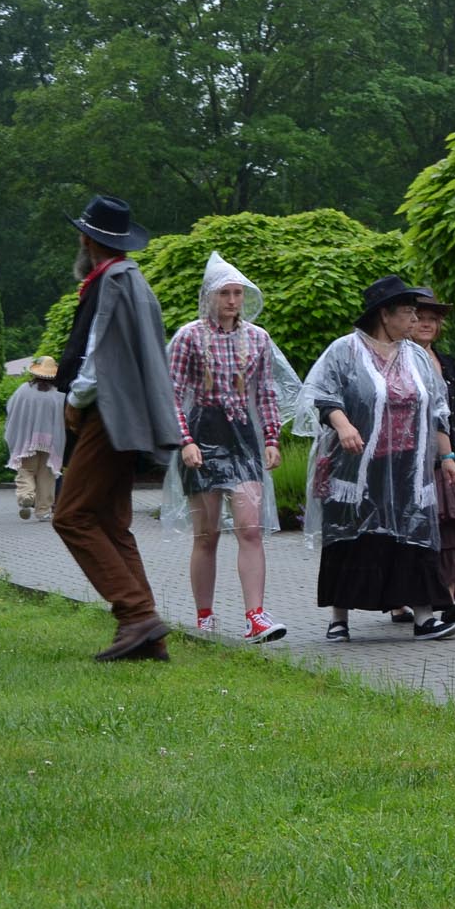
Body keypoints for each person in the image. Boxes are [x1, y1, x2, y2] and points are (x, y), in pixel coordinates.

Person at [53, 195, 186, 662]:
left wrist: (75, 400)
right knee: (112, 522)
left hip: (108, 415)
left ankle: (136, 616)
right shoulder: (129, 279)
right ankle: (149, 636)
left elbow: (98, 353)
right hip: (123, 415)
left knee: (70, 515)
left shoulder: (112, 281)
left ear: (89, 241)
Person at [298, 275, 455, 643]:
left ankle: (424, 618)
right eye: (407, 312)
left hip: (407, 466)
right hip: (356, 465)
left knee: (412, 536)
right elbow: (324, 396)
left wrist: (447, 455)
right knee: (349, 538)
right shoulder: (345, 350)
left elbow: (437, 410)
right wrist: (343, 427)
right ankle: (339, 619)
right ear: (384, 315)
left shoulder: (417, 357)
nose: (413, 319)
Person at [163, 253, 300, 644]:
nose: (232, 300)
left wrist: (271, 438)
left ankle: (254, 615)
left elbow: (267, 391)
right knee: (206, 535)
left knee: (250, 528)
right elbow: (171, 394)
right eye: (225, 292)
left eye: (238, 293)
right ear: (210, 296)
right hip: (203, 433)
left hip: (242, 437)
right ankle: (204, 616)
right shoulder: (189, 336)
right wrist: (185, 441)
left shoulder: (258, 338)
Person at [400, 289, 455, 626]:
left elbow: (449, 412)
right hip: (409, 459)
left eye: (433, 319)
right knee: (412, 529)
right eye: (420, 317)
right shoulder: (399, 359)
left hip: (446, 455)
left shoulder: (446, 362)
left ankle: (448, 599)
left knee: (452, 528)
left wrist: (451, 452)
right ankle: (401, 599)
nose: (426, 324)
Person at [4, 356, 66, 522]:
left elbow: (11, 410)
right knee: (47, 476)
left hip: (27, 440)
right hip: (51, 443)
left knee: (26, 470)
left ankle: (26, 496)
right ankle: (43, 511)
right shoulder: (58, 396)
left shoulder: (23, 390)